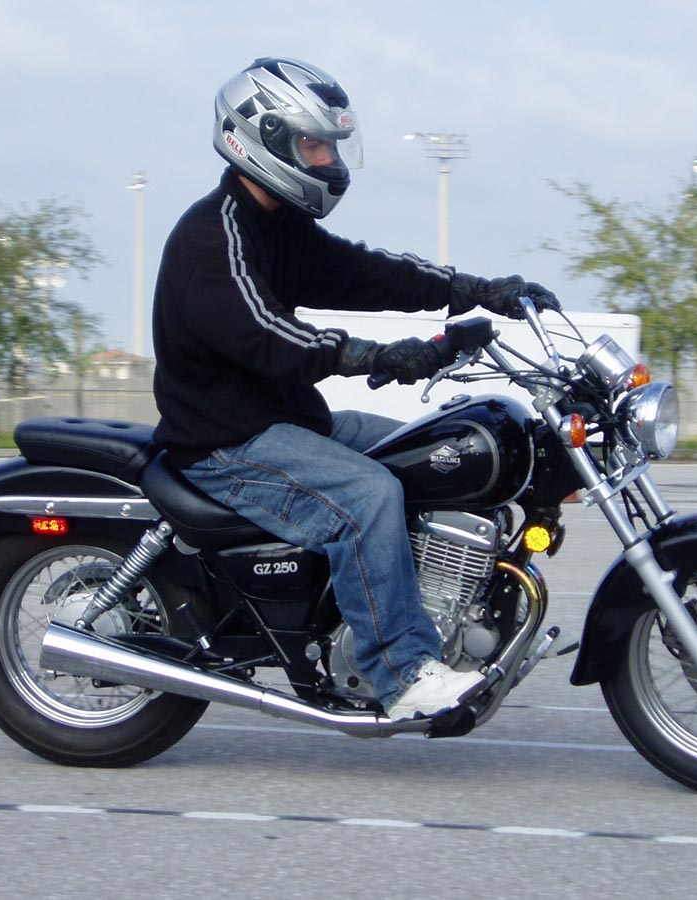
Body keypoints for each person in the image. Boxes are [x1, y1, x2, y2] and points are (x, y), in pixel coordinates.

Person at [151, 57, 558, 721]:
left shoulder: (279, 225)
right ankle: (402, 674)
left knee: (430, 452)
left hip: (288, 423)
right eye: (314, 145)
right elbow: (269, 336)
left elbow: (367, 272)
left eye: (330, 145)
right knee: (369, 496)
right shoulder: (213, 240)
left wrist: (473, 290)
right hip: (227, 444)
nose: (328, 160)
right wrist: (373, 355)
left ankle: (433, 617)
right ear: (265, 140)